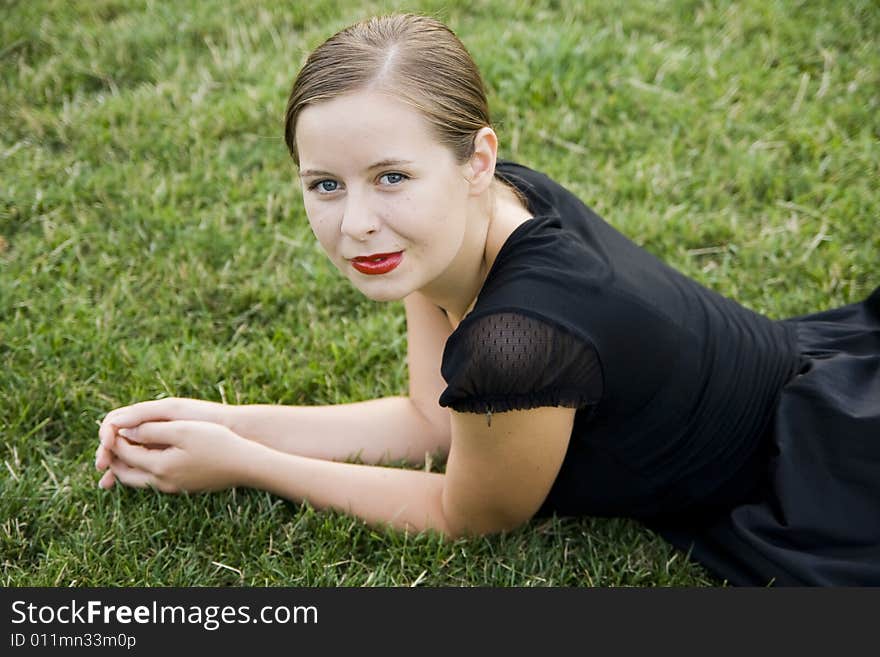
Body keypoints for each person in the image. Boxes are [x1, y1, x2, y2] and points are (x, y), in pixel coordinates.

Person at [95, 13, 880, 586]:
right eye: (324, 185)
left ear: (477, 158)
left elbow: (467, 515)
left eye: (391, 176)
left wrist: (246, 463)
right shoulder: (465, 223)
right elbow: (431, 418)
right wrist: (220, 418)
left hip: (812, 472)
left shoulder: (516, 341)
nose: (357, 222)